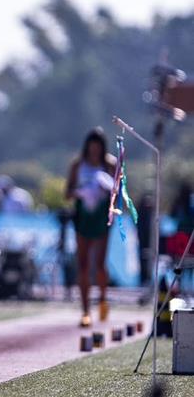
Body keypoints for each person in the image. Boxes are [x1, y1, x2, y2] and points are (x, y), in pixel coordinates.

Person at [66, 127, 116, 328]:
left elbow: (118, 192)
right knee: (83, 263)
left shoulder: (110, 163)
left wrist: (106, 188)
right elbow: (67, 193)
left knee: (100, 264)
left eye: (98, 147)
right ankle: (85, 310)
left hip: (102, 215)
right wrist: (82, 191)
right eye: (91, 147)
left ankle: (103, 298)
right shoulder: (78, 165)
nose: (94, 151)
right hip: (82, 215)